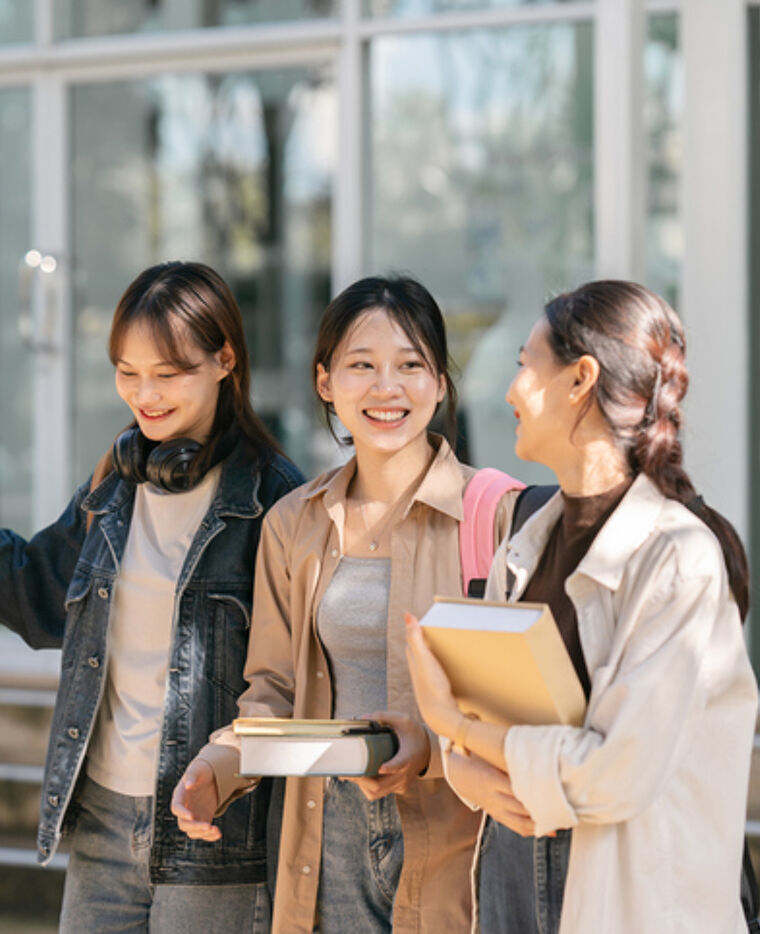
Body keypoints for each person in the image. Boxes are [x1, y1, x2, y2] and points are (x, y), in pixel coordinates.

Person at [0, 261, 303, 933]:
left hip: (213, 829)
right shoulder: (117, 483)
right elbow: (35, 594)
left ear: (225, 360)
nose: (145, 395)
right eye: (127, 373)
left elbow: (287, 682)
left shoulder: (275, 499)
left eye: (169, 373)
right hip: (102, 813)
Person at [404, 279, 759, 933]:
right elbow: (502, 725)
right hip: (512, 877)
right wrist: (465, 769)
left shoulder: (679, 557)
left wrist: (452, 724)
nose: (508, 391)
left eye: (522, 365)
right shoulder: (526, 536)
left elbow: (613, 772)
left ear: (579, 380)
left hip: (624, 896)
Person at [172, 275, 518, 934]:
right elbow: (270, 688)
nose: (387, 388)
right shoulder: (293, 523)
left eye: (411, 366)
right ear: (326, 381)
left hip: (454, 839)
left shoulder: (496, 520)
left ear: (441, 383)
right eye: (362, 366)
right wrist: (218, 768)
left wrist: (430, 750)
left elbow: (521, 713)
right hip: (322, 837)